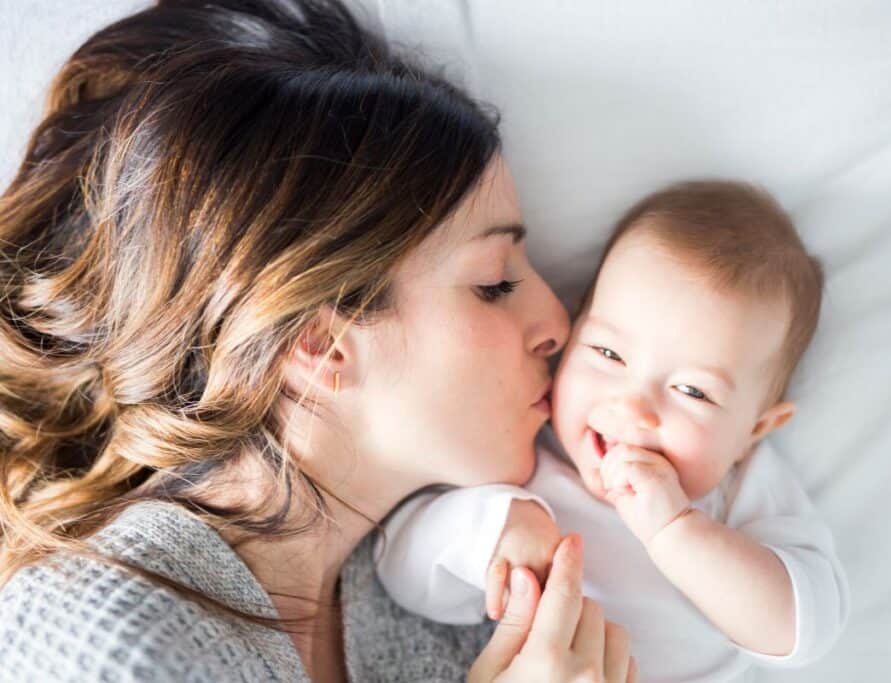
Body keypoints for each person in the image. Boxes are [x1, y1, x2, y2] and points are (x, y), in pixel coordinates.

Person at [0, 1, 636, 680]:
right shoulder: (102, 637)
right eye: (494, 282)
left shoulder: (466, 606)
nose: (559, 324)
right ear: (318, 345)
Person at [376, 181, 851, 681]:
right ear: (574, 331)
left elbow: (804, 630)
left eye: (692, 391)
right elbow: (397, 571)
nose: (632, 405)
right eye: (608, 354)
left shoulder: (743, 486)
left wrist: (676, 531)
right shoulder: (523, 454)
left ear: (755, 428)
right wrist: (494, 530)